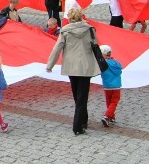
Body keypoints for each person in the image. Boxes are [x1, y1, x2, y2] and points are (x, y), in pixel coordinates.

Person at [45, 7, 101, 135]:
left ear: (70, 18)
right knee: (82, 96)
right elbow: (95, 44)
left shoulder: (65, 31)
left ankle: (81, 121)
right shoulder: (90, 29)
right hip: (86, 66)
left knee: (77, 95)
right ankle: (80, 123)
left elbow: (57, 48)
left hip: (71, 66)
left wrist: (50, 65)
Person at [98, 45, 122, 127]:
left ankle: (109, 116)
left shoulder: (103, 63)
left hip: (107, 86)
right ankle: (108, 116)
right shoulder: (116, 63)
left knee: (109, 102)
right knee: (114, 102)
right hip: (116, 86)